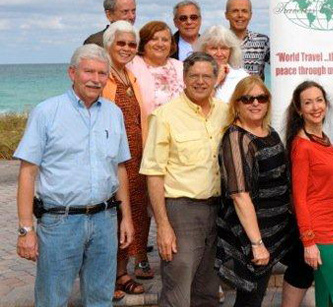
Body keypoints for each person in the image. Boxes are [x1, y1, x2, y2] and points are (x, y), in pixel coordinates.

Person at [15, 44, 133, 306]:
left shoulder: (114, 114)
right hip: (60, 223)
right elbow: (28, 172)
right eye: (88, 71)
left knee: (100, 298)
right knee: (52, 299)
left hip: (105, 220)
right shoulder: (47, 112)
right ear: (72, 73)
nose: (95, 79)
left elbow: (120, 168)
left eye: (102, 73)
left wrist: (126, 218)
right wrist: (26, 229)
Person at [216, 76, 312, 307]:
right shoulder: (236, 138)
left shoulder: (269, 132)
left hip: (279, 225)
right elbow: (239, 195)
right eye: (247, 98)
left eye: (261, 97)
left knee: (305, 262)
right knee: (251, 297)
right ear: (237, 104)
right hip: (253, 230)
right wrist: (257, 243)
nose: (255, 103)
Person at [140, 52, 227, 306]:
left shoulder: (226, 112)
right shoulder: (164, 116)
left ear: (215, 79)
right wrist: (163, 226)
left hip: (218, 208)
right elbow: (154, 174)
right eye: (194, 76)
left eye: (206, 76)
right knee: (178, 286)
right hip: (181, 210)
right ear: (184, 78)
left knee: (208, 288)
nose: (200, 81)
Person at [286, 81, 333, 307]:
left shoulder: (322, 138)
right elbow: (299, 198)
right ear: (299, 110)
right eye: (307, 103)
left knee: (327, 295)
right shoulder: (302, 146)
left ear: (326, 104)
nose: (315, 107)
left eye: (319, 100)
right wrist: (308, 241)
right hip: (320, 231)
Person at [102, 21, 152, 300]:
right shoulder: (102, 75)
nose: (126, 48)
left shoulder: (129, 76)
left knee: (131, 218)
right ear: (109, 44)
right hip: (112, 160)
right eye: (121, 43)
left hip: (136, 159)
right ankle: (105, 278)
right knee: (111, 219)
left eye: (131, 44)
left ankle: (122, 273)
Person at [127, 20, 184, 116]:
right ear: (143, 42)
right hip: (145, 127)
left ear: (171, 44)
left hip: (179, 127)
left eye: (165, 40)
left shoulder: (180, 66)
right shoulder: (131, 64)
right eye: (154, 39)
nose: (160, 44)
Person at [195, 25, 249, 102]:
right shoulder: (195, 76)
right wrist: (216, 81)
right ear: (204, 50)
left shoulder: (242, 77)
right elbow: (198, 106)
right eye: (213, 48)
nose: (219, 54)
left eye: (224, 48)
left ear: (231, 51)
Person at [225, 0, 270, 80]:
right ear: (226, 15)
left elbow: (281, 65)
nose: (240, 15)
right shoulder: (220, 41)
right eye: (235, 11)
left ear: (250, 15)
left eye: (244, 11)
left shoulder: (263, 41)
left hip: (254, 92)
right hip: (227, 93)